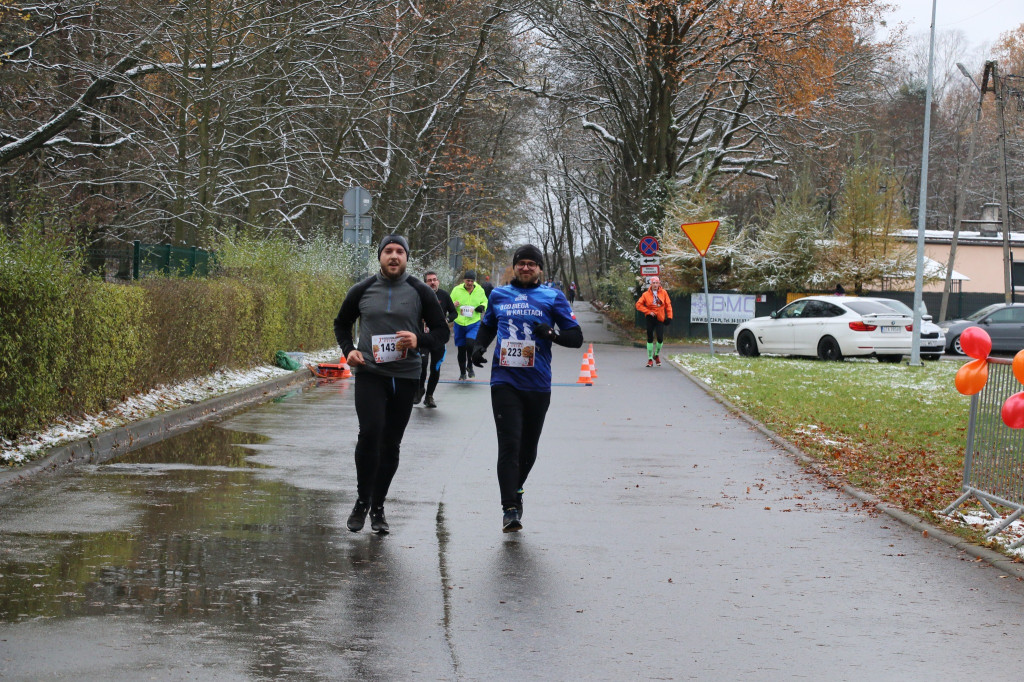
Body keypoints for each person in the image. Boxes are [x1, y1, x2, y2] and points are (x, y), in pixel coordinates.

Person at [334, 235, 450, 534]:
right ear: (380, 256)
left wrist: (419, 340)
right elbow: (341, 323)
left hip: (406, 374)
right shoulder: (361, 289)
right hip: (371, 372)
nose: (394, 256)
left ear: (407, 258)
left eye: (400, 252)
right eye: (388, 251)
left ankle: (379, 505)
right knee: (370, 433)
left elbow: (441, 332)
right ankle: (362, 501)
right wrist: (349, 351)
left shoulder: (420, 291)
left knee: (391, 443)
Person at [471, 244, 583, 532]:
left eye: (532, 263)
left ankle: (516, 489)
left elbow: (575, 337)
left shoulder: (553, 297)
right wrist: (479, 346)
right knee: (509, 443)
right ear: (514, 266)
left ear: (540, 269)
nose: (525, 267)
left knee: (528, 448)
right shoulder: (498, 295)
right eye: (521, 263)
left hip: (538, 383)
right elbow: (488, 326)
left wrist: (551, 333)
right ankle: (509, 508)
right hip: (504, 381)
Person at [416, 270, 457, 408]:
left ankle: (429, 396)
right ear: (425, 283)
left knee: (435, 367)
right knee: (422, 363)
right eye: (429, 280)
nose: (433, 282)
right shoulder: (419, 295)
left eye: (434, 279)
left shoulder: (444, 295)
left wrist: (447, 319)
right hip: (423, 337)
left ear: (438, 281)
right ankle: (420, 389)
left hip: (439, 337)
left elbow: (454, 312)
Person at [450, 270, 488, 380]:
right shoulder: (456, 290)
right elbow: (449, 304)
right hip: (459, 323)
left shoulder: (480, 290)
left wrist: (482, 306)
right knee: (461, 349)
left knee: (471, 344)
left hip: (473, 323)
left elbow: (485, 301)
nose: (470, 283)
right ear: (464, 280)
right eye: (468, 280)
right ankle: (462, 373)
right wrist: (453, 305)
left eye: (471, 281)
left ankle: (470, 365)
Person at [635, 276, 672, 367]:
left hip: (660, 318)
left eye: (657, 283)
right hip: (650, 318)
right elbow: (638, 305)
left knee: (660, 338)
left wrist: (669, 317)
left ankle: (656, 355)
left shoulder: (663, 293)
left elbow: (668, 305)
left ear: (659, 284)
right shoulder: (646, 294)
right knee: (650, 338)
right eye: (653, 283)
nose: (655, 285)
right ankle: (650, 359)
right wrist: (648, 311)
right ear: (651, 284)